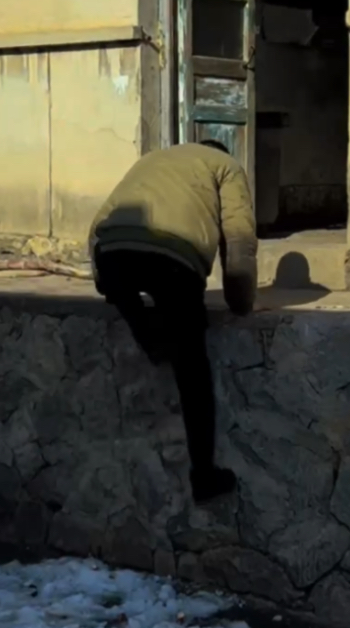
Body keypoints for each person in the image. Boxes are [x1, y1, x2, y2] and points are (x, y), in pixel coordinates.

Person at [88, 139, 258, 503]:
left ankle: (149, 338)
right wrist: (240, 301)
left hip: (113, 253)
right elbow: (239, 237)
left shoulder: (153, 159)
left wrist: (104, 282)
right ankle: (204, 475)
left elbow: (99, 222)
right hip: (174, 260)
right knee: (192, 367)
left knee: (128, 297)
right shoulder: (226, 165)